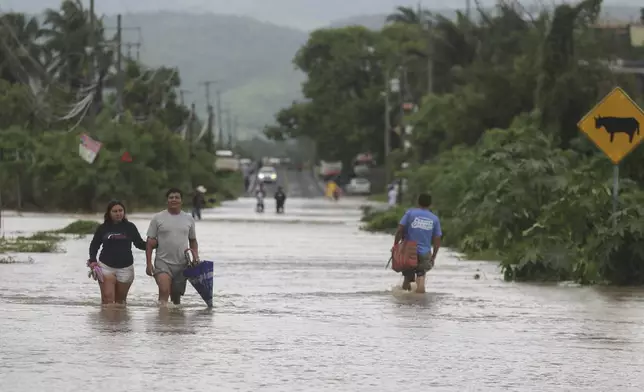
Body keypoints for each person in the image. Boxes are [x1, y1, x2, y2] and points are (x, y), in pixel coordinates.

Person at [146, 188, 199, 306]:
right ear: (167, 201)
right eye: (171, 197)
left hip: (182, 264)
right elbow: (149, 243)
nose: (174, 199)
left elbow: (193, 240)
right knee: (164, 291)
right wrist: (148, 264)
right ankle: (162, 322)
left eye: (177, 197)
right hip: (162, 263)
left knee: (176, 299)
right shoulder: (157, 218)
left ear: (181, 201)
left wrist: (196, 257)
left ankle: (175, 323)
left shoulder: (189, 219)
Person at [88, 200, 146, 304]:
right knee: (108, 299)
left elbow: (139, 244)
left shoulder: (130, 227)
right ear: (109, 213)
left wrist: (155, 244)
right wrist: (92, 260)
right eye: (115, 211)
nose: (118, 213)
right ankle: (105, 320)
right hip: (106, 266)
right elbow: (94, 245)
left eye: (121, 210)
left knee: (120, 302)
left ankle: (119, 320)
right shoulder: (103, 228)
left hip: (125, 267)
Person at [392, 193, 442, 294]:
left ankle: (406, 300)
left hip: (409, 250)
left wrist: (396, 246)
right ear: (430, 204)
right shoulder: (434, 219)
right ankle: (420, 301)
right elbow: (437, 239)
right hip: (425, 252)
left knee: (407, 277)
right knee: (421, 275)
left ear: (418, 202)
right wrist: (434, 256)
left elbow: (399, 230)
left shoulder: (410, 213)